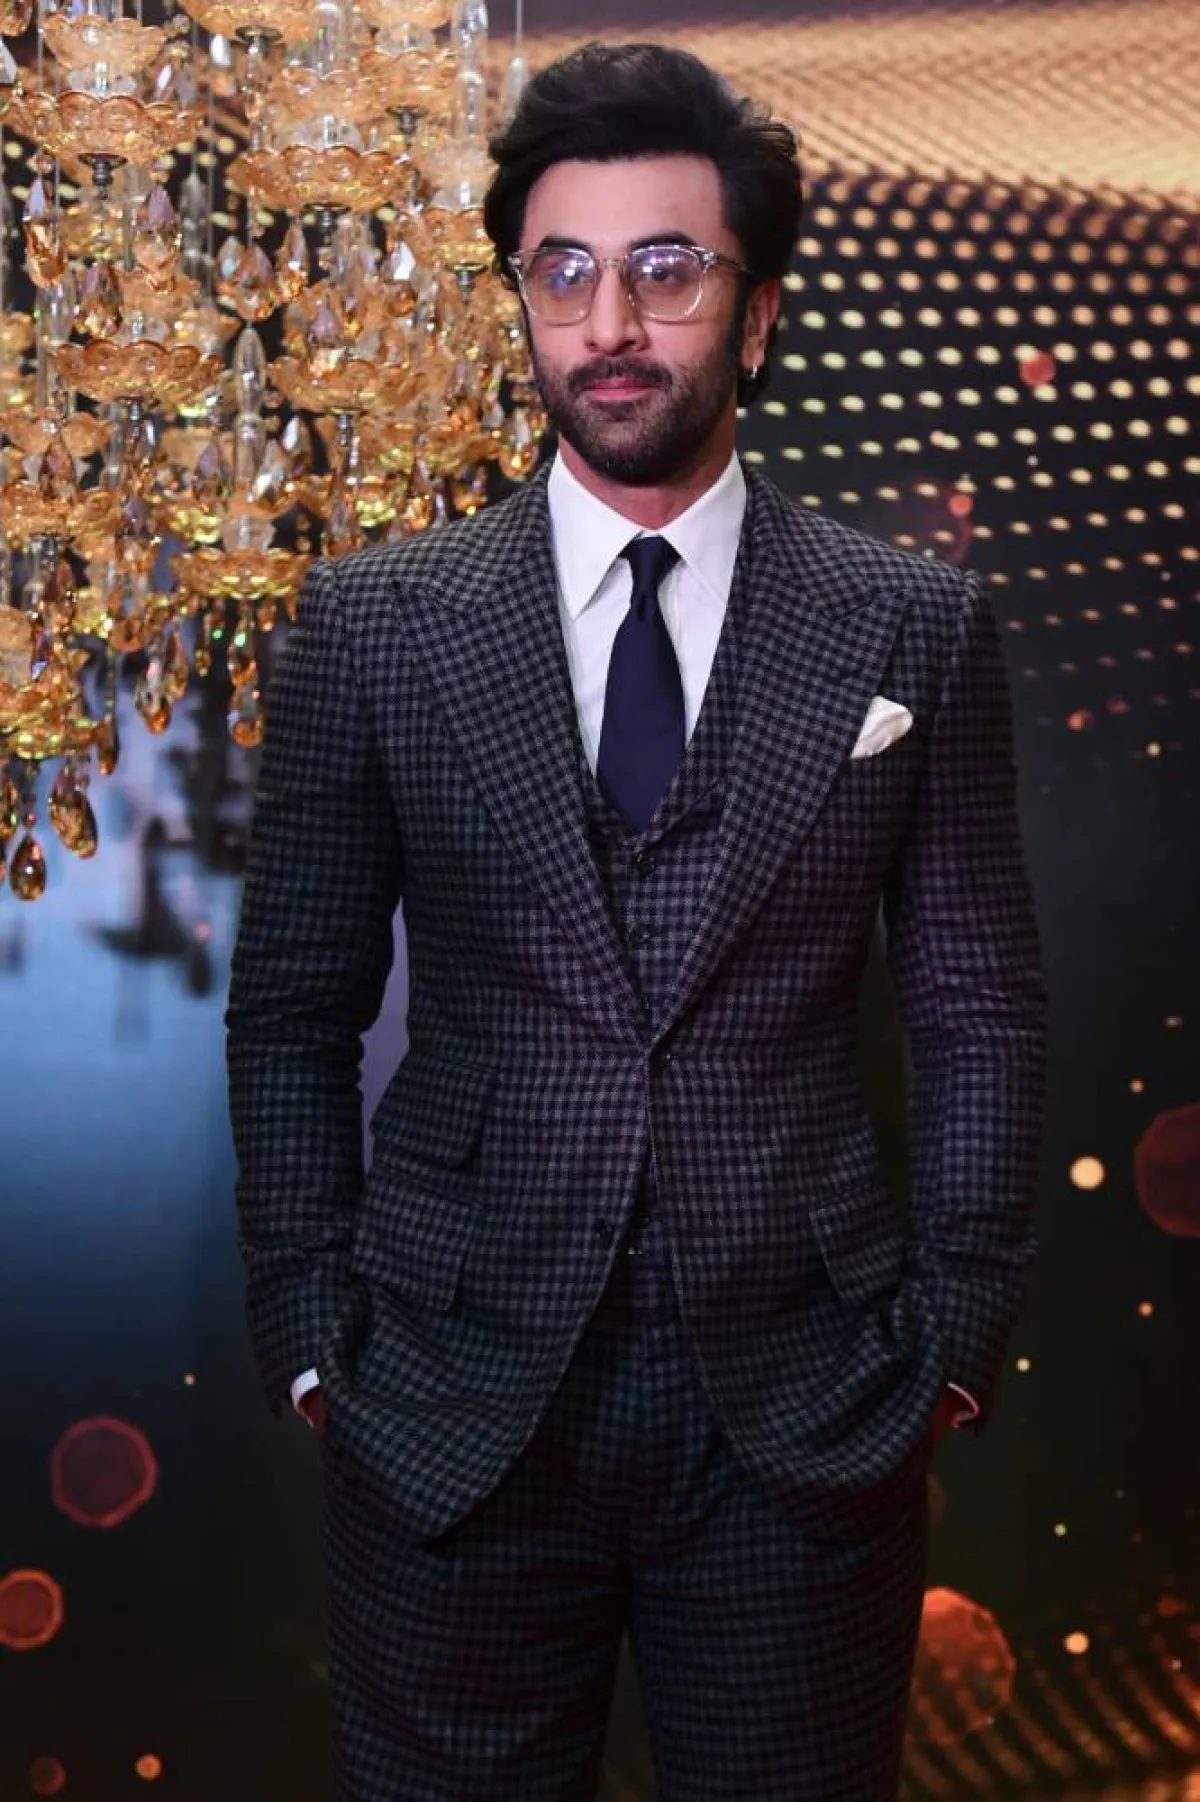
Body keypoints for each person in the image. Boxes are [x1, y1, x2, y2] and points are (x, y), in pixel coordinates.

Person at [225, 39, 1049, 1802]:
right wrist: (310, 1336)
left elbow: (976, 997)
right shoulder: (376, 625)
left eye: (667, 271)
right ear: (524, 301)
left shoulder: (911, 628)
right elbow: (292, 1003)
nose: (612, 321)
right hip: (442, 1391)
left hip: (810, 1407)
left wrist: (957, 1338)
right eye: (565, 272)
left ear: (751, 316)